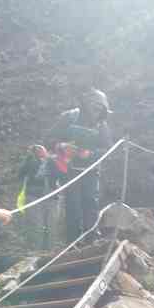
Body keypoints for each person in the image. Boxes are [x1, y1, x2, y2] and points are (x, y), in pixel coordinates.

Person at [46, 88, 113, 242]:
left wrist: (90, 154)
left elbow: (108, 150)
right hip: (68, 169)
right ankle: (73, 241)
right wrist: (62, 146)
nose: (96, 112)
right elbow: (48, 139)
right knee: (73, 205)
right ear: (86, 105)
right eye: (94, 108)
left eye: (100, 109)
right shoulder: (69, 118)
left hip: (90, 170)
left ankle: (91, 239)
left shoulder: (101, 125)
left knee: (90, 203)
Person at [17, 144, 50, 250]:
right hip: (33, 195)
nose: (43, 152)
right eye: (39, 150)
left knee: (46, 224)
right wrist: (29, 159)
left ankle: (44, 247)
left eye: (43, 149)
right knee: (35, 223)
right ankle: (35, 248)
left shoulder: (50, 162)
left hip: (48, 196)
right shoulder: (31, 162)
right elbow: (21, 174)